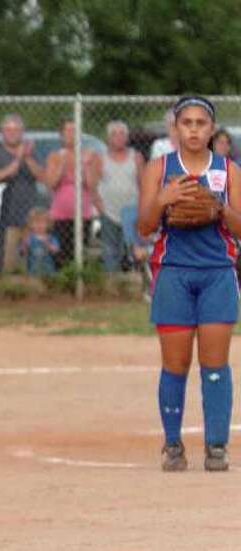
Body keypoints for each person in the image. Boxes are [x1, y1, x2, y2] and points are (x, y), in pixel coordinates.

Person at [137, 95, 239, 472]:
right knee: (175, 364)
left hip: (217, 273)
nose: (194, 129)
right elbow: (145, 227)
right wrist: (163, 199)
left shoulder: (227, 169)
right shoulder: (159, 168)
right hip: (174, 272)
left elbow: (240, 227)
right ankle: (173, 444)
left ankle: (216, 446)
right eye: (187, 123)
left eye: (201, 123)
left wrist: (220, 208)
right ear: (175, 129)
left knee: (215, 364)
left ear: (211, 129)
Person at [0, 114, 46, 274]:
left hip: (31, 218)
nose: (12, 134)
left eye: (16, 130)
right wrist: (18, 159)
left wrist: (27, 158)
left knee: (32, 263)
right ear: (2, 132)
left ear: (22, 133)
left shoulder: (32, 155)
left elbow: (42, 177)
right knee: (8, 262)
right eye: (8, 130)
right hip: (7, 217)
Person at [45, 118, 100, 268]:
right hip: (61, 213)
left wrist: (86, 165)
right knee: (61, 253)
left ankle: (79, 283)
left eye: (74, 131)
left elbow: (92, 185)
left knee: (80, 252)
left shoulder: (89, 155)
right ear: (62, 135)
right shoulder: (55, 156)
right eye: (68, 131)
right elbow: (50, 184)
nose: (71, 134)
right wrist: (62, 165)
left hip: (83, 213)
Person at [95, 121, 144, 274]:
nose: (118, 137)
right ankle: (112, 283)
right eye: (114, 134)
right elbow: (92, 186)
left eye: (122, 134)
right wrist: (100, 207)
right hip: (108, 211)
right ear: (108, 138)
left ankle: (133, 280)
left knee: (130, 248)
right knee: (110, 250)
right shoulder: (100, 159)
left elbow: (143, 184)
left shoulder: (136, 157)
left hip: (131, 212)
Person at [22, 207, 60, 277]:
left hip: (48, 269)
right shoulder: (30, 238)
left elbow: (56, 250)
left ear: (48, 224)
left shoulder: (51, 238)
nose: (39, 225)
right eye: (36, 222)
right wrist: (25, 244)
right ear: (31, 224)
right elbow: (23, 253)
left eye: (42, 222)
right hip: (33, 270)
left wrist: (48, 244)